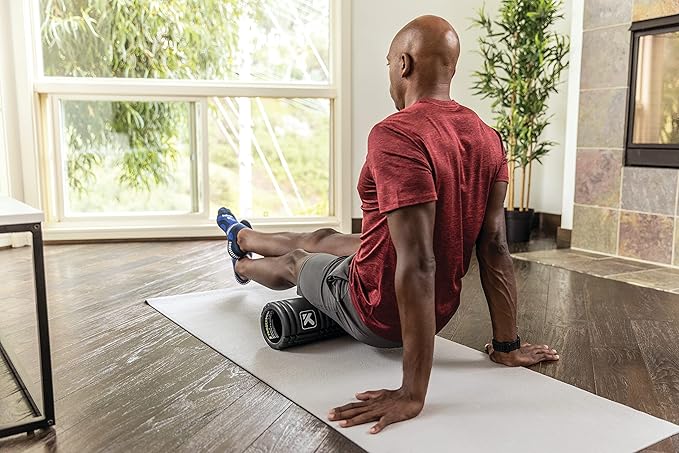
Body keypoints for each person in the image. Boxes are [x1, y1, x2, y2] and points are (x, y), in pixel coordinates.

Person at [216, 14, 559, 434]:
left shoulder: (397, 134)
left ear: (404, 64)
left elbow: (419, 263)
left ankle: (241, 265)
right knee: (329, 239)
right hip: (439, 312)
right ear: (451, 68)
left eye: (388, 65)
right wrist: (507, 346)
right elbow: (494, 246)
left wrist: (412, 393)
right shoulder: (489, 138)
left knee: (298, 260)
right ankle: (242, 235)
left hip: (375, 311)